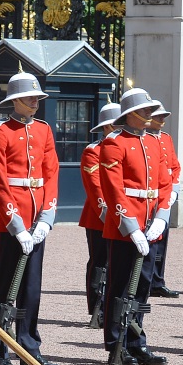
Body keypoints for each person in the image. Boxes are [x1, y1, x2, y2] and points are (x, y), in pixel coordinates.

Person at [0, 70, 60, 365]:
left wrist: (47, 216)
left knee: (31, 288)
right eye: (29, 97)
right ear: (15, 100)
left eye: (37, 97)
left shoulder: (43, 130)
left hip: (37, 215)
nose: (35, 102)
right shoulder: (1, 130)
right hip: (12, 219)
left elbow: (51, 173)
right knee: (5, 287)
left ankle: (29, 347)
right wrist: (15, 222)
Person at [99, 87, 172, 365]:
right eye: (144, 111)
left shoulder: (153, 142)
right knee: (120, 286)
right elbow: (114, 189)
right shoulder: (114, 142)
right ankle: (116, 343)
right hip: (125, 224)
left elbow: (163, 183)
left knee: (142, 286)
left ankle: (136, 340)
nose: (149, 116)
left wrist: (162, 217)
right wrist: (130, 226)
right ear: (130, 114)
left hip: (151, 220)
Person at [79, 102, 121, 328]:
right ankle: (97, 305)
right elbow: (95, 186)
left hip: (121, 214)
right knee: (99, 261)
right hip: (99, 216)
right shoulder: (92, 151)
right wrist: (107, 213)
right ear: (105, 128)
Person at [148, 102, 181, 298]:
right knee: (151, 239)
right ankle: (148, 278)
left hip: (167, 194)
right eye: (158, 116)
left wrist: (174, 189)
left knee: (162, 240)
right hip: (153, 195)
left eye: (162, 117)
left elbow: (175, 167)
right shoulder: (146, 139)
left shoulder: (166, 138)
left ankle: (158, 279)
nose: (161, 120)